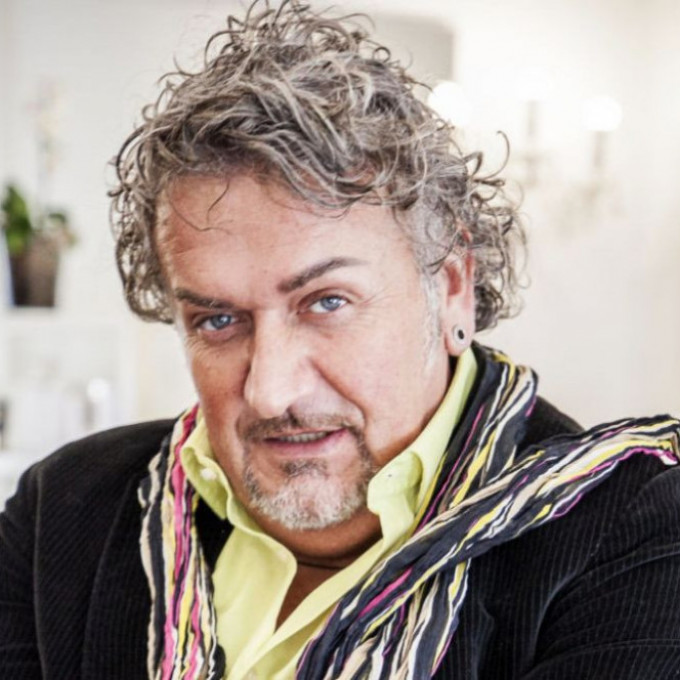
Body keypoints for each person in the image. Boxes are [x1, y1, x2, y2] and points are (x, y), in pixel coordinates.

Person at [2, 1, 680, 678]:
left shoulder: (632, 532)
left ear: (451, 287)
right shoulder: (64, 510)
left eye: (326, 302)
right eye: (218, 320)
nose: (271, 392)